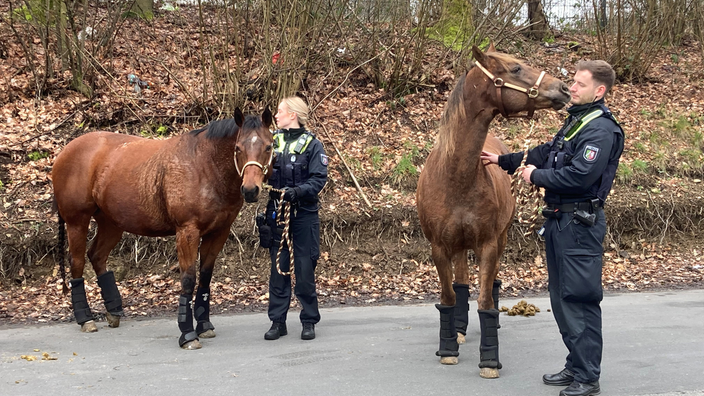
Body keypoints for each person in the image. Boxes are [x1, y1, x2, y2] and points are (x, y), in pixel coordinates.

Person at [481, 60, 624, 396]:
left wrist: (535, 176)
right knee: (562, 299)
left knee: (579, 299)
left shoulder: (600, 130)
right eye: (573, 82)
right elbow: (546, 153)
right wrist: (503, 161)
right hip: (561, 220)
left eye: (579, 83)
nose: (571, 87)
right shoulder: (577, 122)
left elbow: (579, 175)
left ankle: (588, 377)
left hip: (579, 223)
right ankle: (576, 365)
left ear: (599, 91)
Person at [259, 96, 328, 341]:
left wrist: (297, 192)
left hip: (303, 216)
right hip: (277, 214)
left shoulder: (313, 145)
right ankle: (277, 322)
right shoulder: (271, 142)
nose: (276, 116)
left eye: (280, 111)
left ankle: (308, 320)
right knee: (278, 272)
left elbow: (319, 179)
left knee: (305, 268)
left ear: (292, 115)